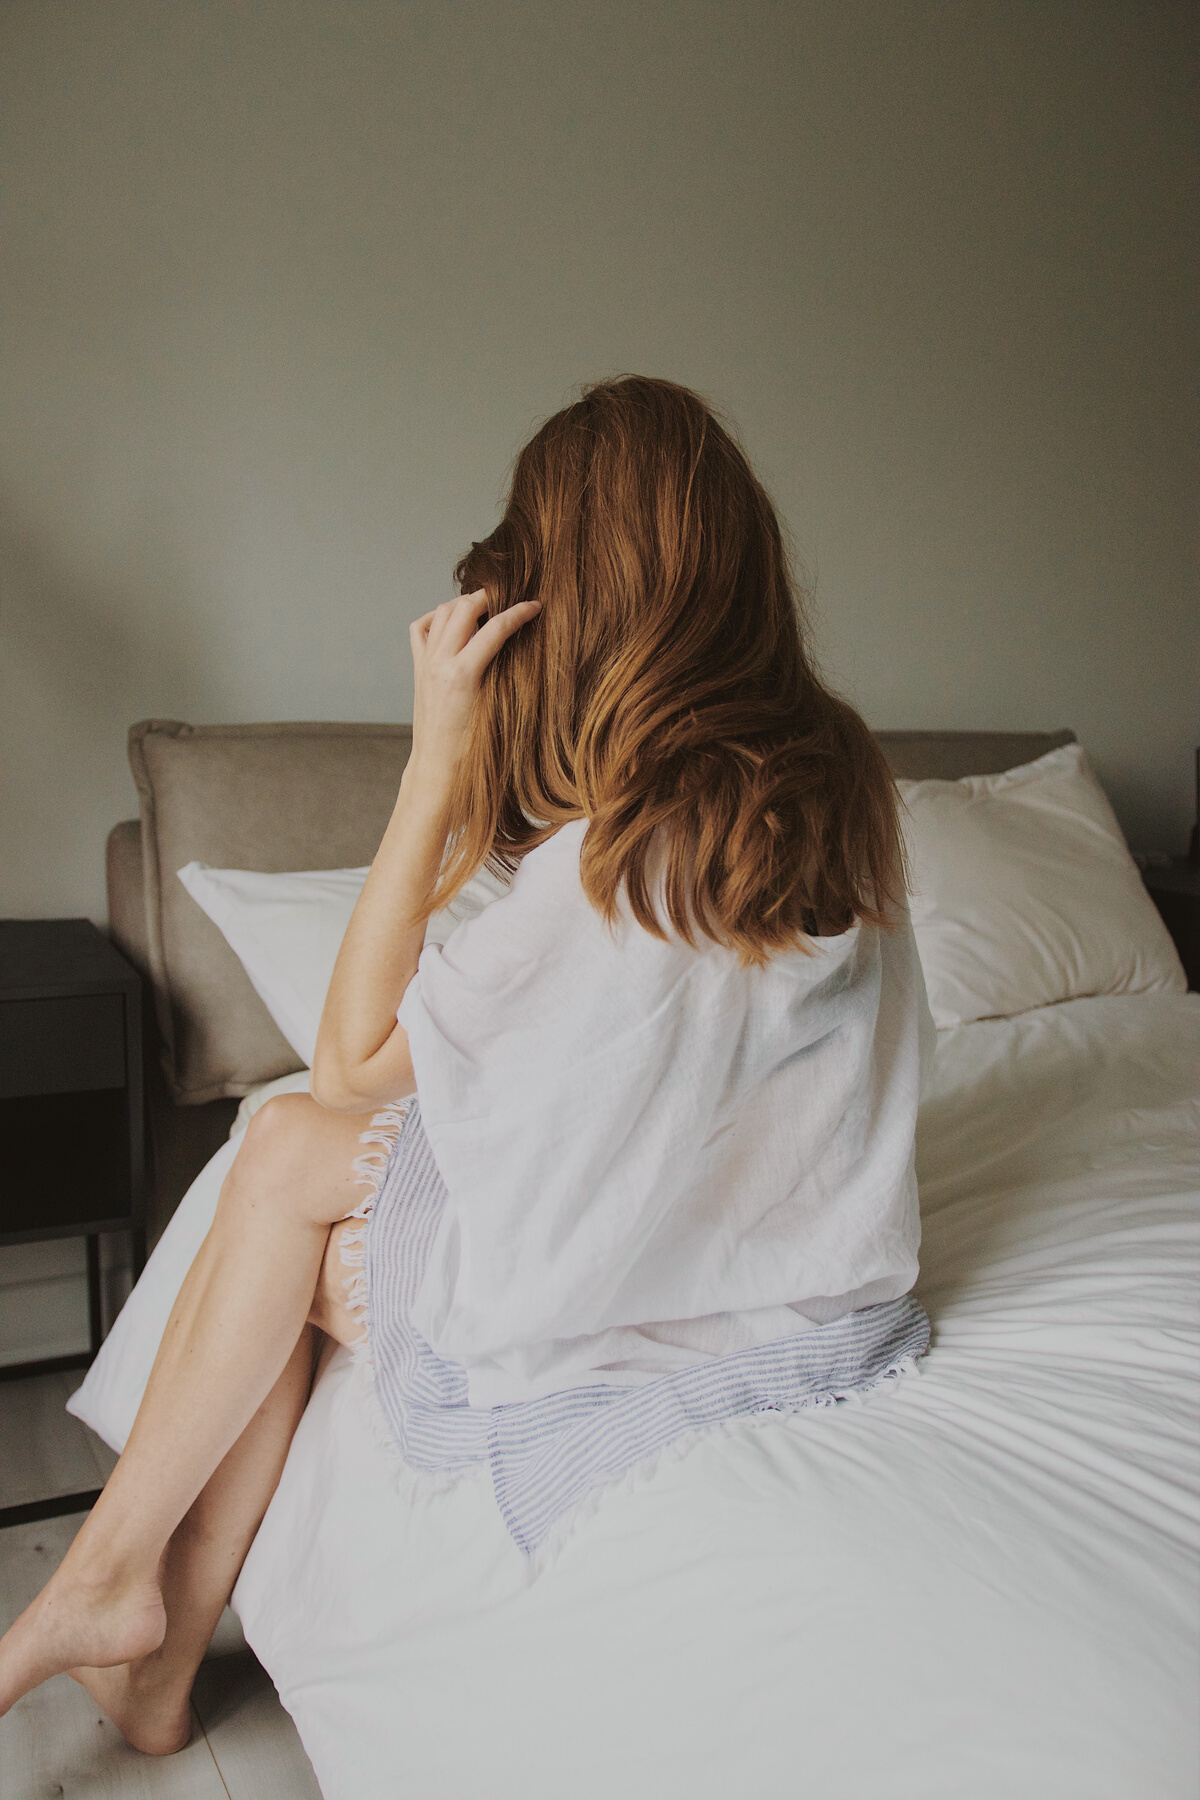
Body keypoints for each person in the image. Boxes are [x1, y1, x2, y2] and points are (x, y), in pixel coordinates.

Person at [0, 376, 927, 1754]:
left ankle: (113, 1590)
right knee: (297, 1181)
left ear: (581, 600)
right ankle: (142, 1632)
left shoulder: (627, 858)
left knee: (283, 1158)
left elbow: (350, 1059)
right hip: (812, 1281)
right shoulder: (837, 788)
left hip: (669, 1296)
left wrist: (433, 760)